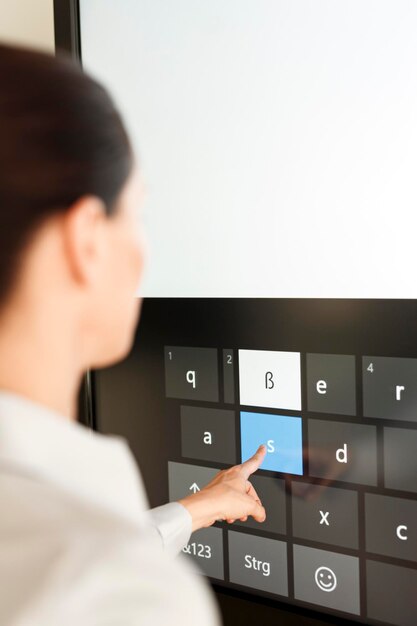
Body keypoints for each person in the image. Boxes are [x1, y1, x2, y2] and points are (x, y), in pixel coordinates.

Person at [0, 43, 267, 626]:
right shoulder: (121, 593)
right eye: (138, 213)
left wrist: (198, 508)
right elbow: (89, 575)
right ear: (85, 240)